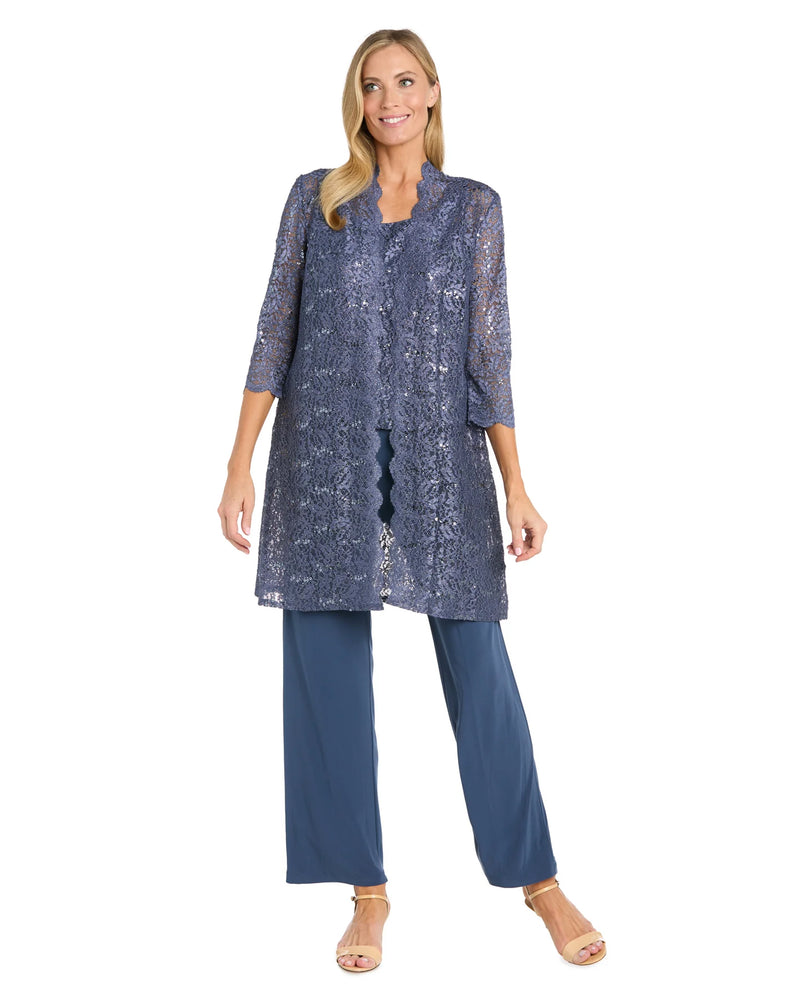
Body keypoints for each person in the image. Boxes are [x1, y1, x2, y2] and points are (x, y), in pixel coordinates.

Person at [218, 27, 606, 973]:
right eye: (370, 84)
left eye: (403, 81)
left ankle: (539, 881)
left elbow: (489, 353)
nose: (387, 99)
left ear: (432, 92)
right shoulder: (317, 199)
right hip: (323, 461)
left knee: (481, 671)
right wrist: (238, 464)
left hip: (441, 465)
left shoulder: (473, 208)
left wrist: (516, 484)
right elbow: (274, 331)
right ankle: (366, 892)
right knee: (326, 678)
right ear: (355, 100)